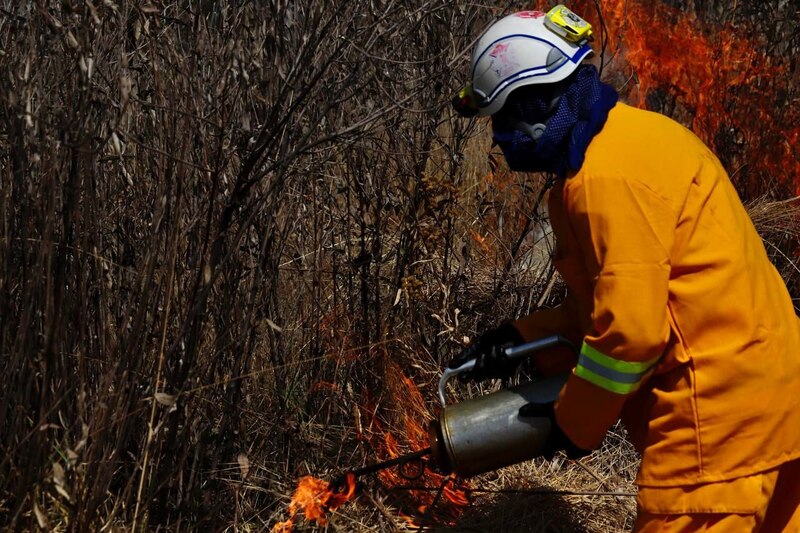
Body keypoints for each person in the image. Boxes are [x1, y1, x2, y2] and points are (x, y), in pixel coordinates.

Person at [449, 7, 800, 532]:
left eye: (503, 118)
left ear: (539, 102)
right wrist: (520, 338)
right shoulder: (634, 139)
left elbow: (631, 335)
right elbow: (615, 297)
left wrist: (574, 424)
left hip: (714, 436)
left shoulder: (604, 180)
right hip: (776, 409)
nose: (500, 140)